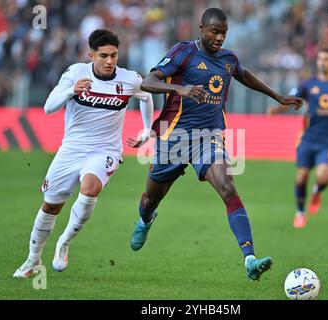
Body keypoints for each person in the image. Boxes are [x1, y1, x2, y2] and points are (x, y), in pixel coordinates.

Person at [128, 8, 302, 281]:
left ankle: (250, 259)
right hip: (173, 137)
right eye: (215, 31)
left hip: (209, 137)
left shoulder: (228, 59)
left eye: (224, 32)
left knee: (227, 187)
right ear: (201, 28)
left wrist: (277, 96)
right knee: (151, 198)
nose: (220, 37)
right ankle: (146, 220)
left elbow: (243, 75)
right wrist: (180, 89)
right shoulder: (183, 52)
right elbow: (149, 82)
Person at [13, 29, 153, 277]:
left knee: (90, 189)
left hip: (105, 150)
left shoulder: (129, 79)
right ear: (91, 55)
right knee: (50, 207)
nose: (110, 61)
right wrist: (71, 91)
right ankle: (32, 260)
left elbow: (146, 96)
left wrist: (146, 129)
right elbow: (48, 108)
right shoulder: (76, 73)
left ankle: (64, 243)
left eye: (114, 55)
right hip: (71, 150)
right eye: (103, 56)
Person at [267, 48, 328, 228]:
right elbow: (293, 99)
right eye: (319, 59)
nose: (322, 62)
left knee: (322, 176)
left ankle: (317, 190)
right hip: (308, 138)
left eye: (326, 59)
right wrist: (277, 110)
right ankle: (300, 213)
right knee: (301, 178)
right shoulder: (308, 84)